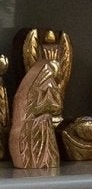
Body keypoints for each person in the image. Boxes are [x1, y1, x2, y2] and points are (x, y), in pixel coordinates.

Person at [8, 32, 67, 172]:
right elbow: (56, 106)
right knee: (43, 153)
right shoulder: (49, 85)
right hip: (40, 125)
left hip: (34, 125)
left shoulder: (36, 85)